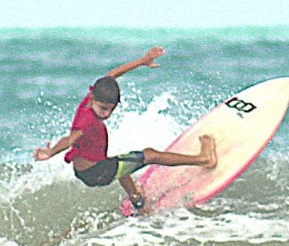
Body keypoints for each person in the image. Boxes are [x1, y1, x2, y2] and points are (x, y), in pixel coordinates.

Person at [33, 46, 217, 211]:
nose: (107, 114)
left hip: (90, 169)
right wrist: (50, 153)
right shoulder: (87, 121)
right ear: (93, 99)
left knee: (123, 165)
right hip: (95, 173)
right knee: (149, 154)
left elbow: (111, 75)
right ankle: (204, 159)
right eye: (103, 109)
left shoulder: (94, 94)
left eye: (111, 109)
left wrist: (142, 61)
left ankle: (138, 201)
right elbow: (70, 139)